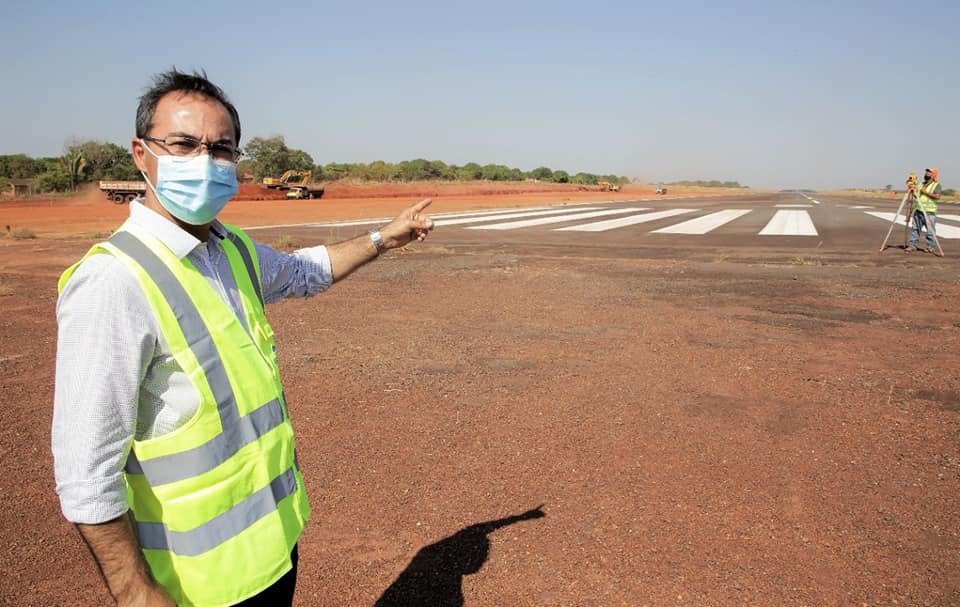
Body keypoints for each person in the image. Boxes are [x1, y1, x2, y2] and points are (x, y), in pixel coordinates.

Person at [52, 69, 434, 607]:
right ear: (142, 155)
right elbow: (85, 471)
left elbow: (304, 272)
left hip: (273, 552)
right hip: (194, 586)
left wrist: (382, 239)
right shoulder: (113, 282)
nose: (205, 162)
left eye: (221, 149)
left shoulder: (231, 251)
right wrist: (136, 591)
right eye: (184, 144)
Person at [907, 167, 942, 254]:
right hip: (919, 210)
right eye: (926, 172)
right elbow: (917, 196)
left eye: (929, 172)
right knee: (915, 229)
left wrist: (925, 192)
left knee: (930, 231)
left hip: (929, 212)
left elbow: (937, 196)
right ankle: (912, 245)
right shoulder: (920, 185)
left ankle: (930, 247)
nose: (927, 173)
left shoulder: (936, 185)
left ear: (934, 175)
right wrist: (912, 191)